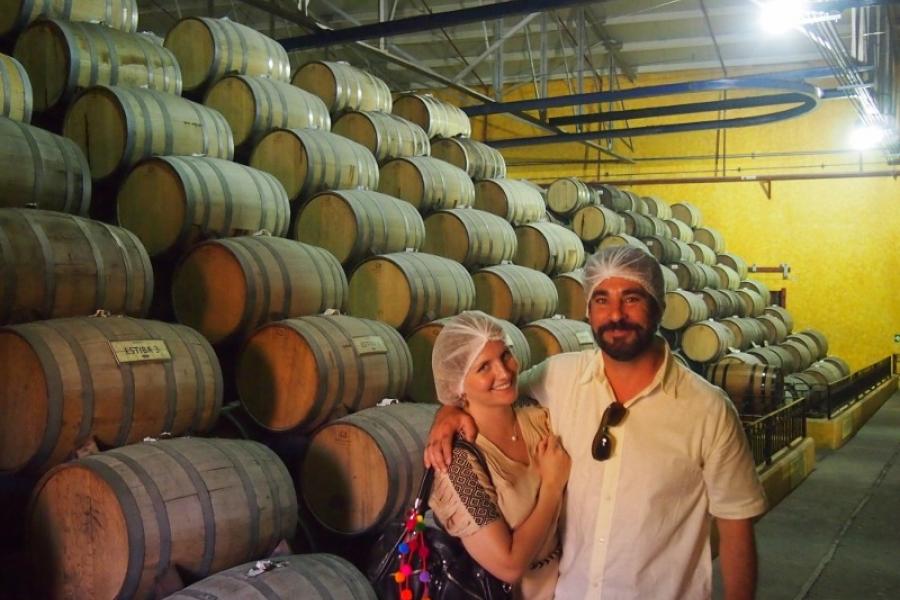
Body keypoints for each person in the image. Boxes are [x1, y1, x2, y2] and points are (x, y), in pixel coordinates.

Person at [425, 246, 767, 600]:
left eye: (631, 298)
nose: (615, 314)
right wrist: (448, 411)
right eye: (602, 299)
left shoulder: (708, 410)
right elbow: (478, 388)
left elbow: (736, 527)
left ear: (658, 306)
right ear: (588, 310)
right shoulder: (559, 377)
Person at [428, 310, 571, 599]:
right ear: (458, 385)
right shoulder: (458, 465)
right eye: (484, 367)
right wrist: (552, 488)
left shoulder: (539, 420)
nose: (504, 373)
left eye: (505, 355)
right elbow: (509, 565)